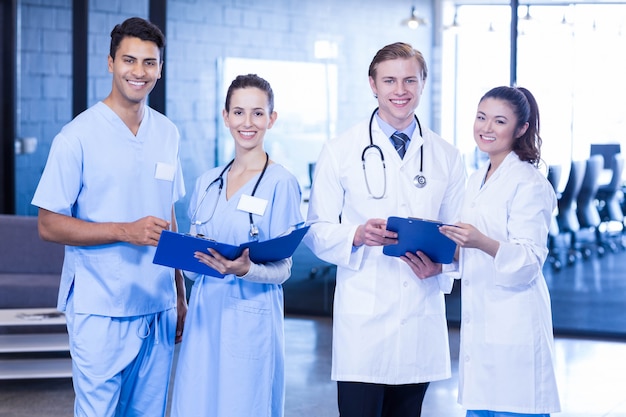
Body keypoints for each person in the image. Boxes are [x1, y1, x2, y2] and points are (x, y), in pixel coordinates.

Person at [30, 17, 187, 417]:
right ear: (110, 63)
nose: (139, 72)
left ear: (160, 69)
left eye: (149, 63)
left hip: (158, 305)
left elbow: (167, 212)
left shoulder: (168, 133)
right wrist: (125, 231)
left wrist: (179, 291)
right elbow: (48, 224)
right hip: (101, 306)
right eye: (129, 60)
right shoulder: (76, 137)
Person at [303, 42, 467, 417]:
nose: (400, 90)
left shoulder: (447, 156)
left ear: (423, 84)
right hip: (364, 315)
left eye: (410, 80)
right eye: (390, 80)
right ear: (372, 85)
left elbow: (459, 235)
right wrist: (356, 235)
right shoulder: (340, 150)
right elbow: (315, 229)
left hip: (419, 312)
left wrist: (442, 268)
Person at [170, 74, 303, 417]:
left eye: (258, 113)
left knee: (243, 405)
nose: (248, 123)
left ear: (271, 119)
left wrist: (246, 269)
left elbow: (284, 267)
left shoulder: (281, 183)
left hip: (251, 318)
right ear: (226, 116)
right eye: (239, 112)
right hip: (204, 312)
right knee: (197, 403)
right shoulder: (207, 181)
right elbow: (193, 247)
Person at [440, 86, 561, 416]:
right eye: (481, 117)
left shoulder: (530, 183)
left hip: (515, 323)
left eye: (499, 121)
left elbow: (530, 260)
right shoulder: (477, 177)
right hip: (480, 325)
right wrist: (438, 256)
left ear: (521, 129)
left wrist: (480, 241)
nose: (486, 128)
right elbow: (468, 247)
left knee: (513, 405)